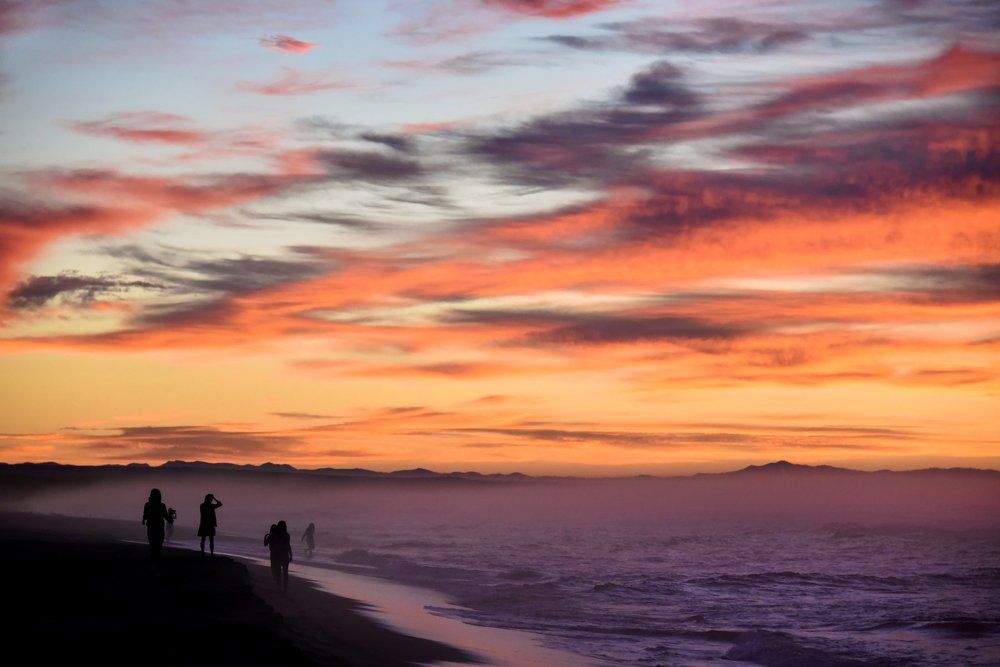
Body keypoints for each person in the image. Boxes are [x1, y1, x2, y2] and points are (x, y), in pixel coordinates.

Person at [142, 488, 172, 564]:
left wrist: (144, 520)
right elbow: (165, 516)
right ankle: (157, 560)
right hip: (159, 526)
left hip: (151, 526)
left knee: (152, 544)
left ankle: (153, 560)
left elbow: (145, 515)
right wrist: (170, 518)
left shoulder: (147, 504)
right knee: (159, 544)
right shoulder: (162, 505)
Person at [268, 520, 293, 591]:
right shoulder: (285, 535)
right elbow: (288, 545)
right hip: (282, 555)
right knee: (284, 573)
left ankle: (281, 587)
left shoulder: (276, 535)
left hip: (281, 555)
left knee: (281, 572)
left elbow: (287, 545)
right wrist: (291, 554)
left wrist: (291, 554)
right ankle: (282, 588)